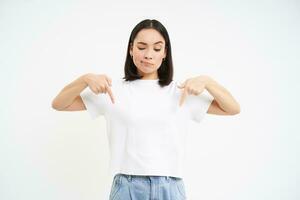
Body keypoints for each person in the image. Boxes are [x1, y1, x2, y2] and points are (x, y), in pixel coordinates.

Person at [52, 19, 240, 200]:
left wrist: (207, 81)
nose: (149, 54)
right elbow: (59, 103)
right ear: (131, 49)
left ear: (165, 53)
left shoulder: (181, 92)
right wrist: (84, 79)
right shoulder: (112, 91)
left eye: (157, 48)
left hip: (170, 187)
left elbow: (232, 108)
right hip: (127, 186)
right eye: (142, 47)